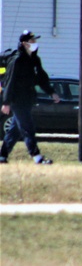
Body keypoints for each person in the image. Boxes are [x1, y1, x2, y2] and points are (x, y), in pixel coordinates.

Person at [0, 31, 60, 165]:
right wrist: (6, 102)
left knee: (15, 130)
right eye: (32, 41)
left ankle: (2, 156)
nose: (34, 43)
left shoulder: (34, 59)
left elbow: (42, 78)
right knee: (28, 128)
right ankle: (37, 157)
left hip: (28, 99)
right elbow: (10, 81)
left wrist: (51, 92)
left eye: (34, 40)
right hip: (17, 100)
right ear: (24, 44)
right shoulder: (17, 60)